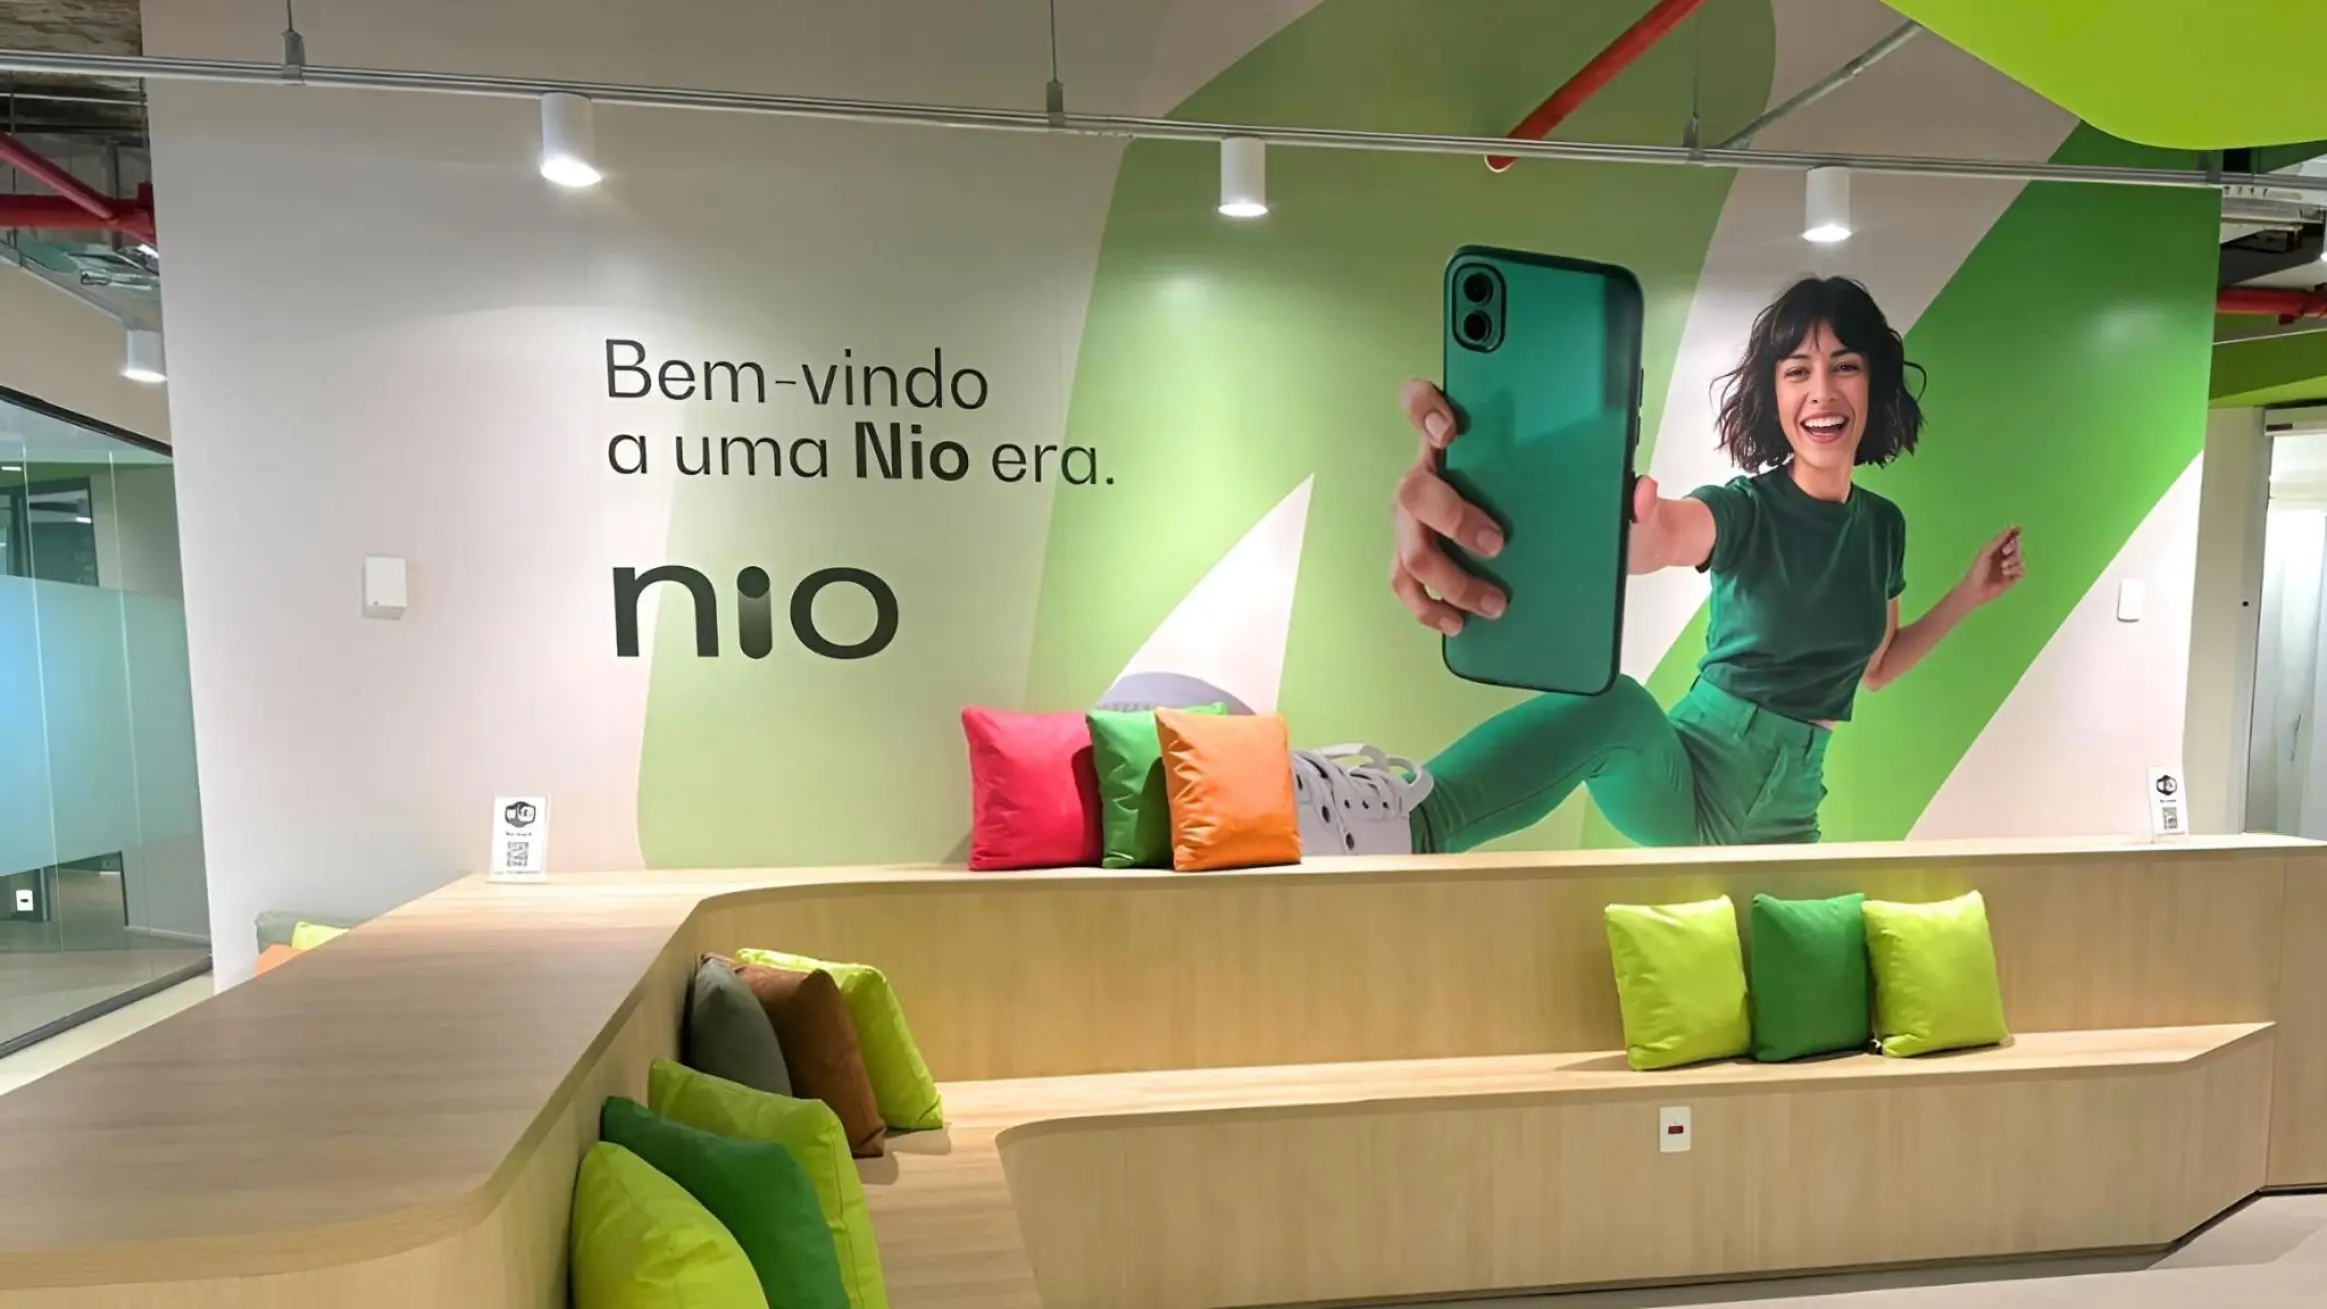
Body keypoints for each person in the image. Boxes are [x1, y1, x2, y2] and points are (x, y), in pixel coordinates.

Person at [1295, 276, 2024, 855]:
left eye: (1846, 367)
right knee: (1611, 702)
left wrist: (1968, 593)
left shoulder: (1882, 527)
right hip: (1691, 777)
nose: (1822, 391)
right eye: (1797, 370)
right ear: (1773, 395)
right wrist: (1604, 524)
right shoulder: (1745, 509)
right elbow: (1661, 535)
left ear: (1874, 384)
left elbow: (1876, 667)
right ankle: (1404, 826)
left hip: (1792, 811)